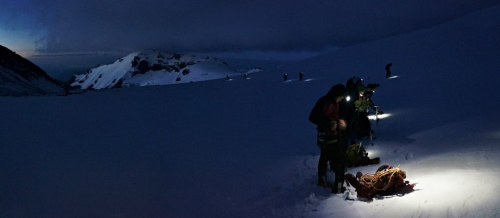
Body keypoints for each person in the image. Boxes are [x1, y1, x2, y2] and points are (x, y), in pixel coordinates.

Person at [309, 84, 348, 193]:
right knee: (339, 160)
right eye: (341, 97)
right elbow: (312, 117)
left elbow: (334, 116)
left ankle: (322, 180)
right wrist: (328, 124)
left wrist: (340, 121)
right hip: (326, 136)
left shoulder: (335, 103)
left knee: (325, 157)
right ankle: (338, 187)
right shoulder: (325, 102)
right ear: (337, 94)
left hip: (333, 135)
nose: (341, 100)